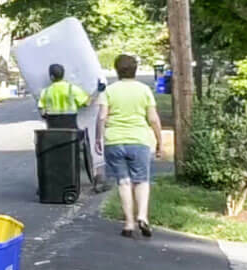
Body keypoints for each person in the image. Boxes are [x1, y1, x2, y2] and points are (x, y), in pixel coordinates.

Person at [101, 54, 163, 237]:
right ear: (135, 70)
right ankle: (142, 216)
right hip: (139, 140)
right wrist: (159, 141)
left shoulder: (109, 91)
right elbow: (153, 119)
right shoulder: (144, 90)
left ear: (116, 70)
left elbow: (103, 116)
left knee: (124, 182)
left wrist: (99, 137)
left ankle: (128, 223)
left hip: (115, 140)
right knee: (142, 181)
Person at [37, 63, 87, 130]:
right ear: (63, 75)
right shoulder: (72, 89)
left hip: (53, 132)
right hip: (72, 133)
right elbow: (86, 103)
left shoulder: (45, 92)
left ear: (51, 77)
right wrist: (97, 92)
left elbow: (42, 112)